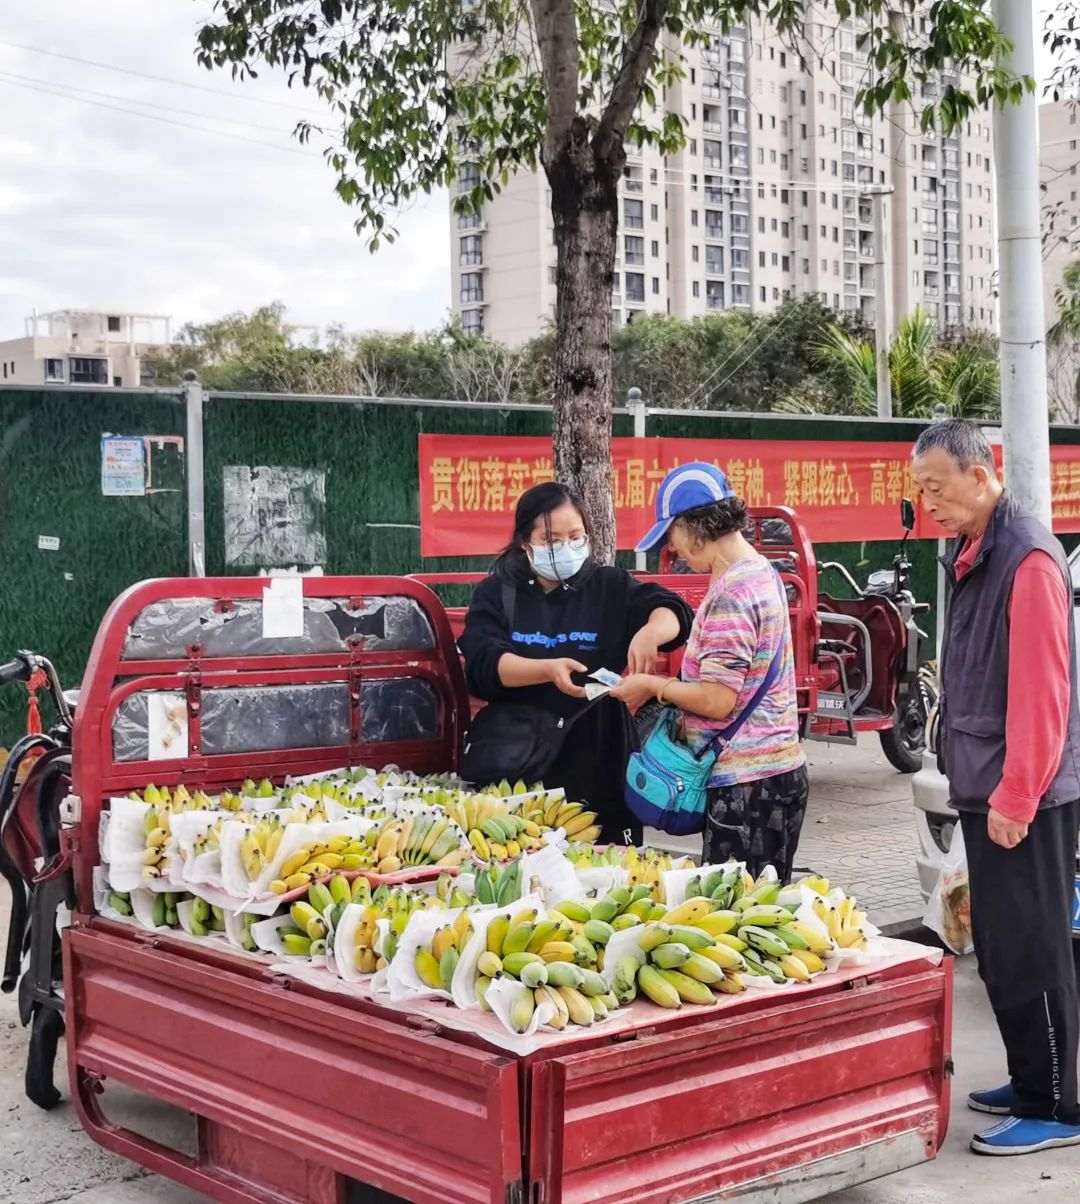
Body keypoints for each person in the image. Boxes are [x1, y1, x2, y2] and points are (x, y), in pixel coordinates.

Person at [912, 419, 1080, 1157]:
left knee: (1035, 948)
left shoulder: (1028, 560)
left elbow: (1044, 698)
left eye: (938, 489)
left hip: (1027, 798)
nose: (930, 505)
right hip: (986, 784)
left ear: (982, 476)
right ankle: (1029, 1078)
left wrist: (1016, 798)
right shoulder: (973, 549)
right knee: (1002, 949)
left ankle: (1058, 1104)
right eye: (921, 491)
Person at [459, 482, 693, 843]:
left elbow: (671, 610)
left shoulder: (608, 585)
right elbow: (483, 664)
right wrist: (546, 670)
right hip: (521, 760)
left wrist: (651, 632)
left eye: (575, 536)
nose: (565, 547)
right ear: (526, 542)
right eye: (551, 539)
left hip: (600, 754)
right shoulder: (498, 593)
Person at [612, 462, 808, 881]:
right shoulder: (762, 572)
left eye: (672, 535)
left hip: (746, 787)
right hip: (775, 775)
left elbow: (719, 700)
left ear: (693, 526)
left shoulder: (733, 595)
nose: (674, 548)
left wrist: (654, 686)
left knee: (736, 921)